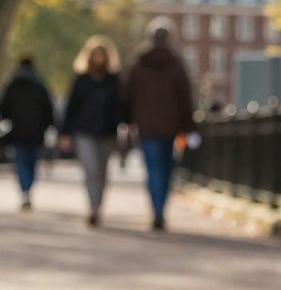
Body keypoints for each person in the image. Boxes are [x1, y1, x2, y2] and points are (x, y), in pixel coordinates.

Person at [123, 19, 195, 231]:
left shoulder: (139, 63)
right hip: (171, 126)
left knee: (153, 169)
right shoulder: (177, 63)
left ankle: (156, 210)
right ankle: (160, 209)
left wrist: (128, 120)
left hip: (146, 126)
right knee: (166, 169)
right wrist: (188, 126)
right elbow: (185, 97)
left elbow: (128, 95)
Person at [60, 36, 125, 227]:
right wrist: (64, 133)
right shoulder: (81, 80)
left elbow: (121, 107)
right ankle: (92, 207)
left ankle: (98, 206)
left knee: (102, 172)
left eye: (101, 55)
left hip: (107, 132)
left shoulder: (114, 81)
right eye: (95, 55)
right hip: (84, 131)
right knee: (91, 169)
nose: (98, 59)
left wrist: (124, 125)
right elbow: (71, 107)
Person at [0, 56, 55, 210]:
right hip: (36, 132)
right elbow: (48, 109)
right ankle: (28, 188)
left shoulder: (12, 85)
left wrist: (9, 120)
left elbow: (3, 107)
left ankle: (25, 189)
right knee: (32, 162)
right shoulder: (40, 85)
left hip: (17, 131)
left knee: (21, 162)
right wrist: (49, 125)